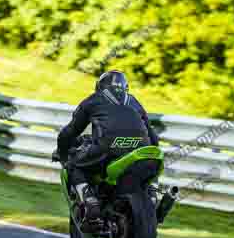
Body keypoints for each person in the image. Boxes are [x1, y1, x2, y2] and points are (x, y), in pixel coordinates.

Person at [52, 70, 159, 224]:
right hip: (140, 150)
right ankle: (153, 193)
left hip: (106, 148)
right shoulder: (134, 101)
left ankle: (90, 201)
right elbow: (153, 137)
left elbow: (69, 132)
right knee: (151, 166)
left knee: (73, 164)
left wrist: (63, 154)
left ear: (99, 86)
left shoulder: (93, 100)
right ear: (125, 87)